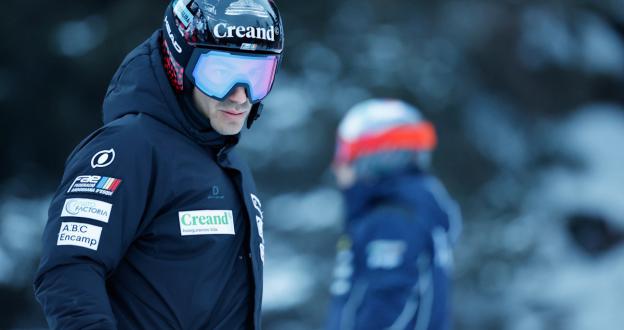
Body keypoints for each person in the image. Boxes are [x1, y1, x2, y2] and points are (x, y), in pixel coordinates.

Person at [33, 0, 283, 328]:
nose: (240, 96)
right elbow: (68, 270)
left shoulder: (227, 161)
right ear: (182, 66)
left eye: (256, 75)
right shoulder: (129, 149)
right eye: (220, 74)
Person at [326, 99, 462, 330]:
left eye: (344, 152)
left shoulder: (392, 219)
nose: (336, 165)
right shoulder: (392, 211)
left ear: (377, 156)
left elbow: (386, 304)